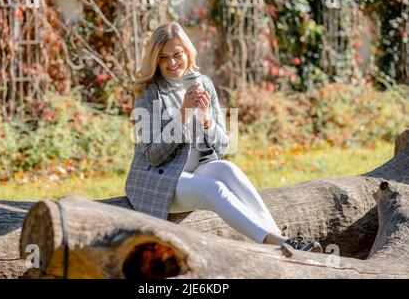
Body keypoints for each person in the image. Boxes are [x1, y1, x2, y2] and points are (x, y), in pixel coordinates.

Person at [125, 22, 321, 252]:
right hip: (161, 179)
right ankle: (277, 244)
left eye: (177, 54)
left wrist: (207, 120)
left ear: (187, 52)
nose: (172, 63)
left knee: (229, 169)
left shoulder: (203, 83)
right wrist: (183, 116)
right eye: (163, 57)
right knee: (214, 189)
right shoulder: (148, 91)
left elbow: (224, 145)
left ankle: (281, 239)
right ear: (155, 60)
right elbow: (153, 155)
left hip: (197, 169)